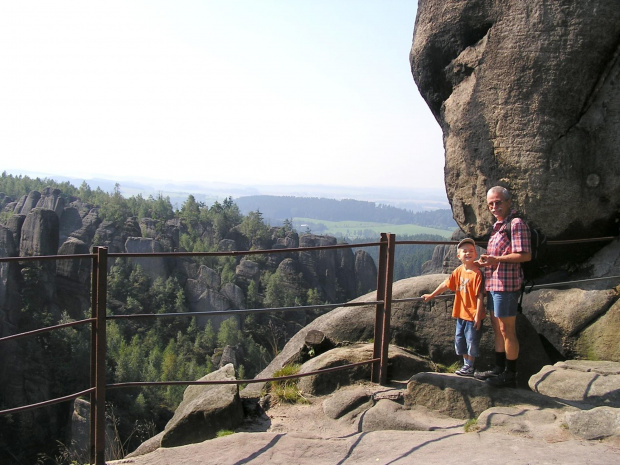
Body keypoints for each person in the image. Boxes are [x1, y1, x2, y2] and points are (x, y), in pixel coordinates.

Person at [474, 186, 531, 388]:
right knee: (498, 329)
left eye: (498, 202)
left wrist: (496, 258)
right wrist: (487, 262)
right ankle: (498, 369)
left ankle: (510, 374)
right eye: (491, 204)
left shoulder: (516, 224)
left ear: (508, 202)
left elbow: (524, 255)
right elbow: (497, 258)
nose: (494, 207)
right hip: (494, 284)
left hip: (506, 286)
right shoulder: (499, 226)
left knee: (507, 331)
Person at [422, 238, 485, 377]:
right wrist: (432, 295)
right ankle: (465, 364)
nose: (468, 253)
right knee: (460, 339)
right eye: (464, 251)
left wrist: (477, 315)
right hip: (461, 314)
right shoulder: (458, 271)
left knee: (471, 340)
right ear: (458, 256)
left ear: (476, 254)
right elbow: (446, 284)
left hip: (472, 315)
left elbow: (480, 296)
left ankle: (469, 366)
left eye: (471, 251)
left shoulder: (477, 274)